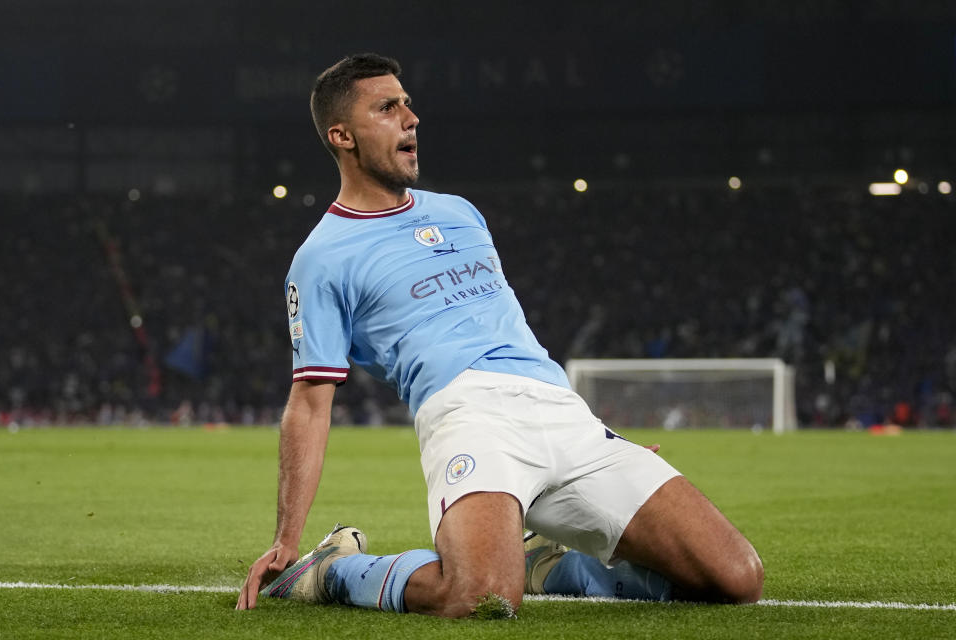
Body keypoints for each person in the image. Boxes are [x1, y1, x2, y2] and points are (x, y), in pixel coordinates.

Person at [236, 53, 763, 617]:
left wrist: (589, 426)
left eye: (408, 103)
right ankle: (333, 570)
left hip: (561, 411)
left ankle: (553, 565)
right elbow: (311, 403)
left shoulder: (462, 213)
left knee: (735, 577)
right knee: (480, 596)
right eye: (387, 108)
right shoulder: (320, 259)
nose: (411, 118)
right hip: (467, 415)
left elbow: (506, 326)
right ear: (341, 135)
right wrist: (285, 539)